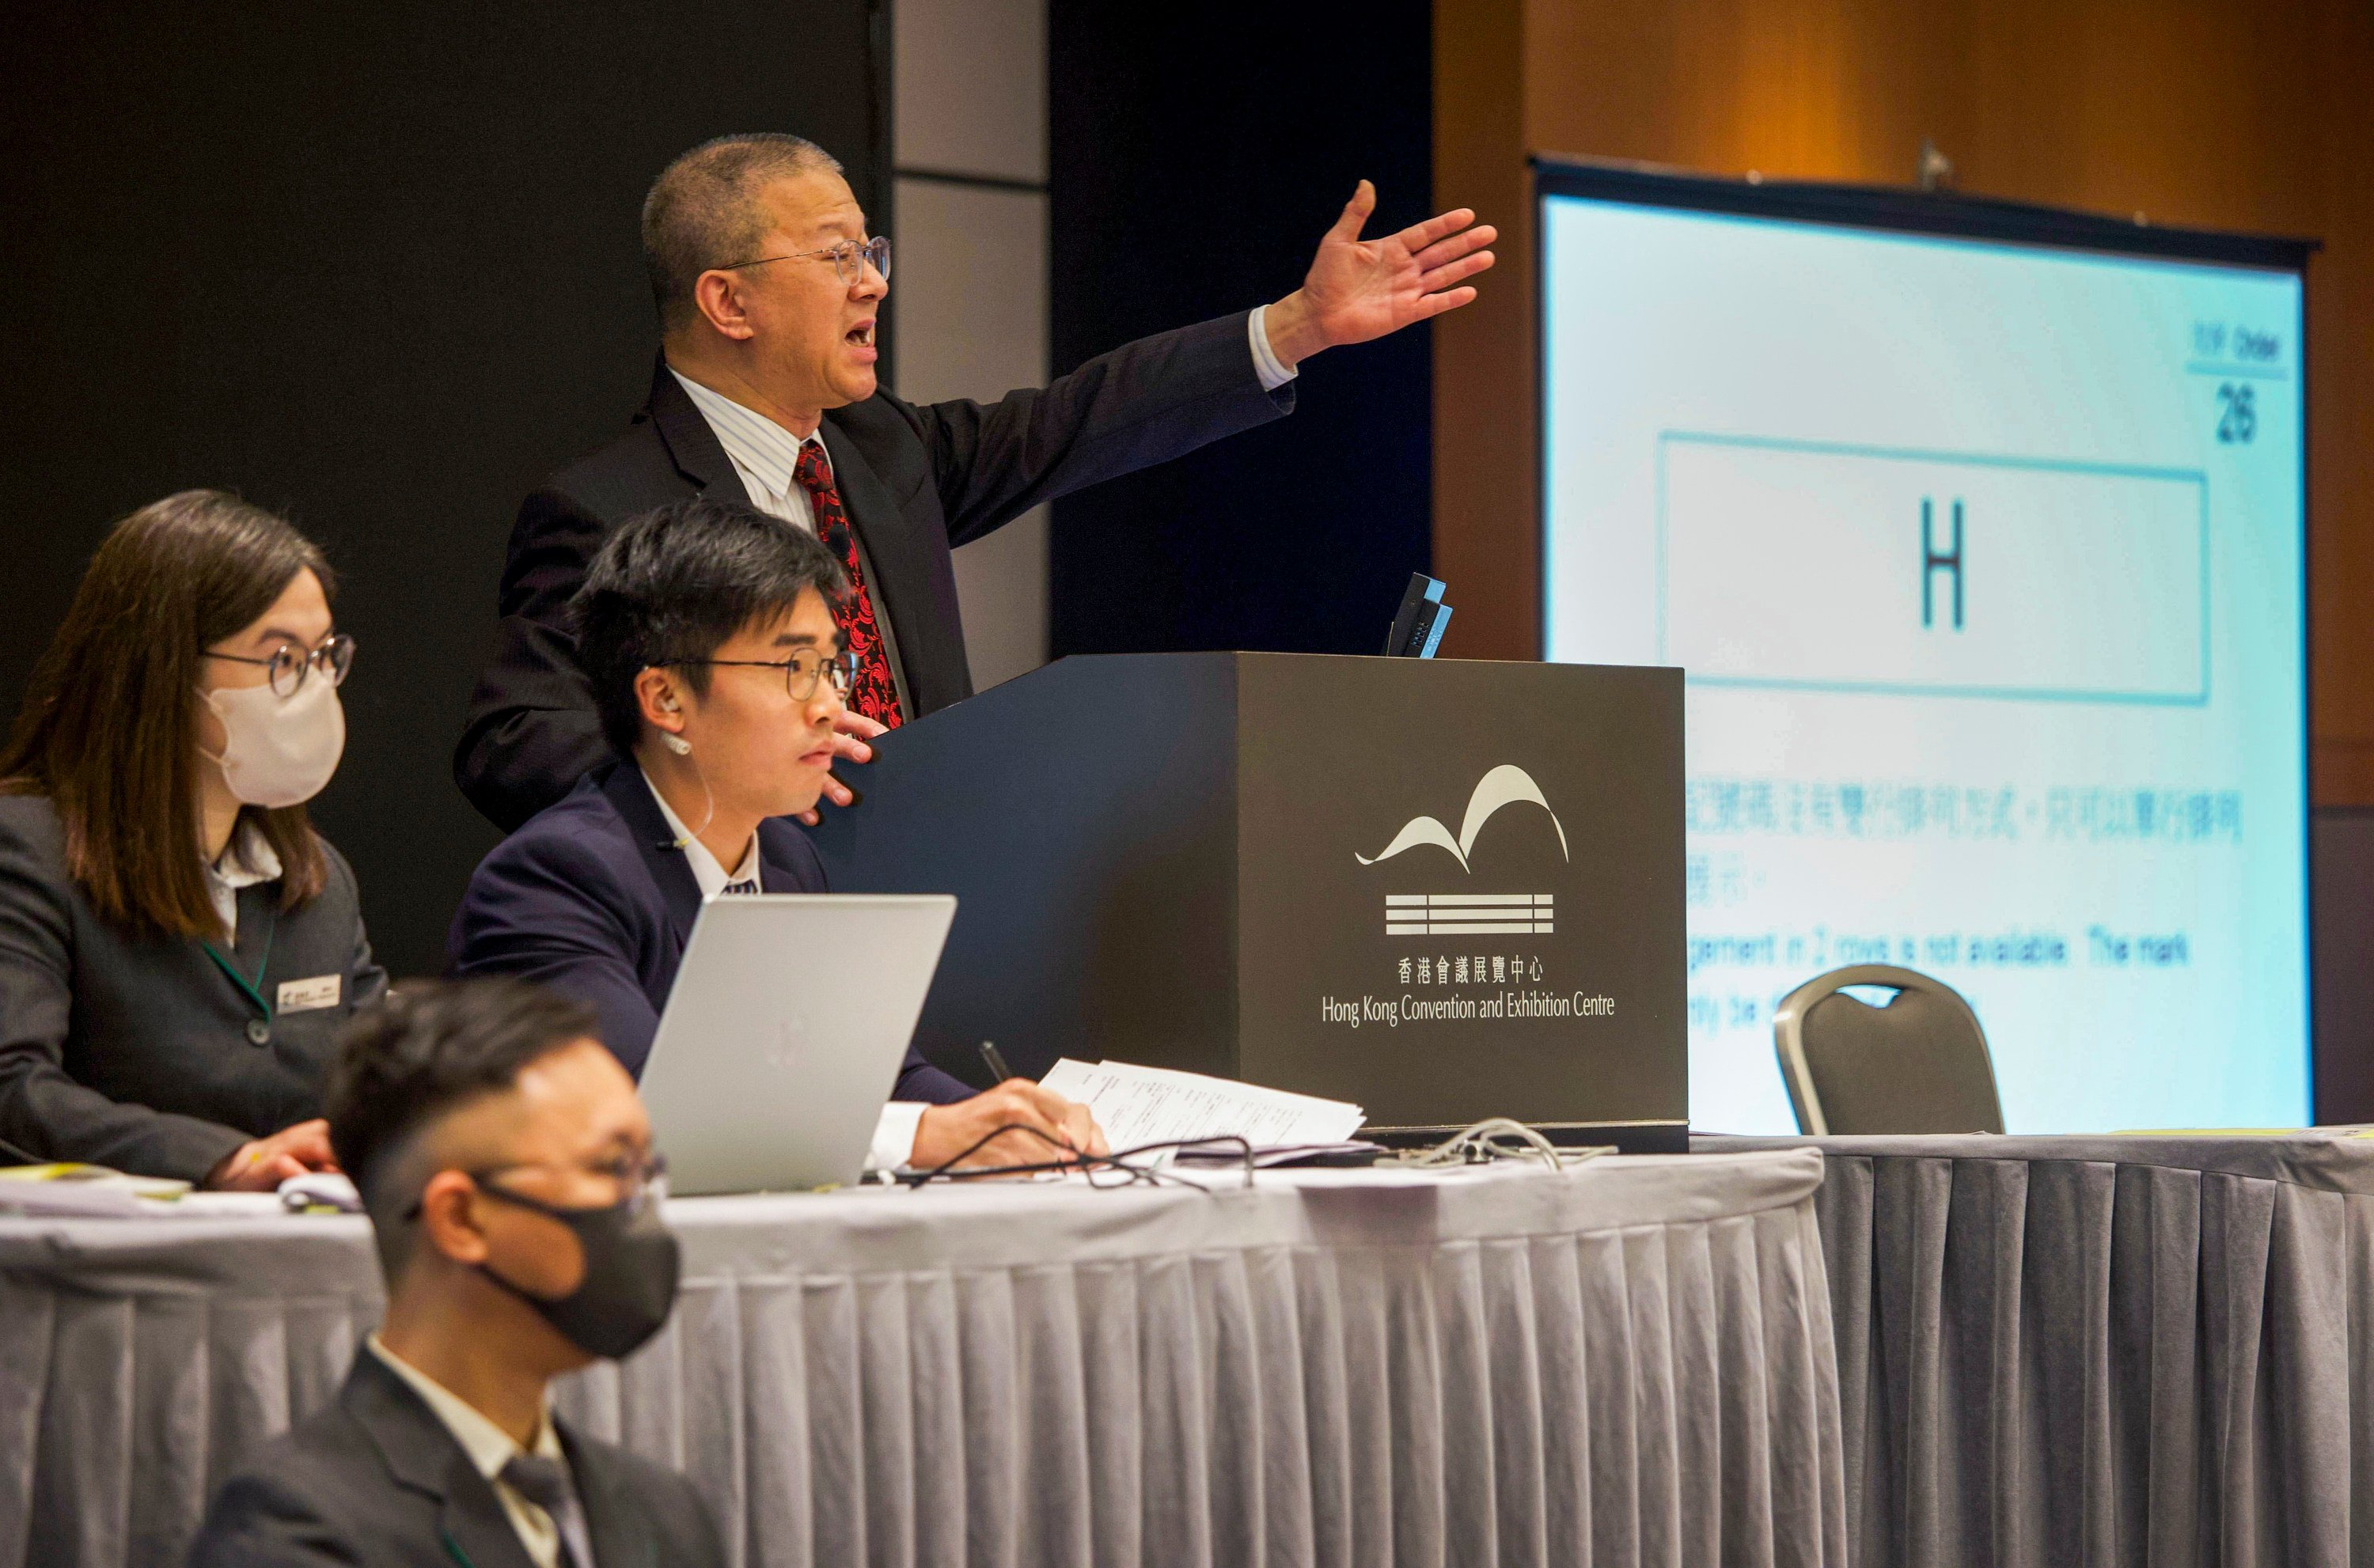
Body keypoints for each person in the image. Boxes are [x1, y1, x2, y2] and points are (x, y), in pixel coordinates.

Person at [455, 131, 1496, 831]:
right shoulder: (610, 512)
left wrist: (1294, 328)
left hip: (941, 912)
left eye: (872, 251)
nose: (874, 282)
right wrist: (723, 780)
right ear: (729, 303)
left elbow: (1079, 420)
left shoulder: (880, 449)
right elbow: (514, 745)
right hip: (743, 947)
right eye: (835, 257)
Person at [449, 497, 1102, 1172]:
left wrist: (1012, 1126)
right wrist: (926, 1136)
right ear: (666, 699)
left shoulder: (787, 856)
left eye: (831, 668)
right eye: (793, 670)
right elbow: (638, 1122)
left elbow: (883, 1078)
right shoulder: (554, 879)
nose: (829, 706)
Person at [188, 977, 725, 1567]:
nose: (642, 1204)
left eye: (647, 1170)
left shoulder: (665, 1513)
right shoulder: (295, 1538)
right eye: (613, 1168)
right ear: (461, 1219)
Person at [0, 490, 385, 1187]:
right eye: (282, 658)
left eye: (325, 655)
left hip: (306, 1249)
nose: (316, 688)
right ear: (166, 666)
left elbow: (388, 1084)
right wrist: (225, 1160)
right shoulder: (27, 851)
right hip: (99, 1251)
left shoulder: (319, 881)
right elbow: (13, 1090)